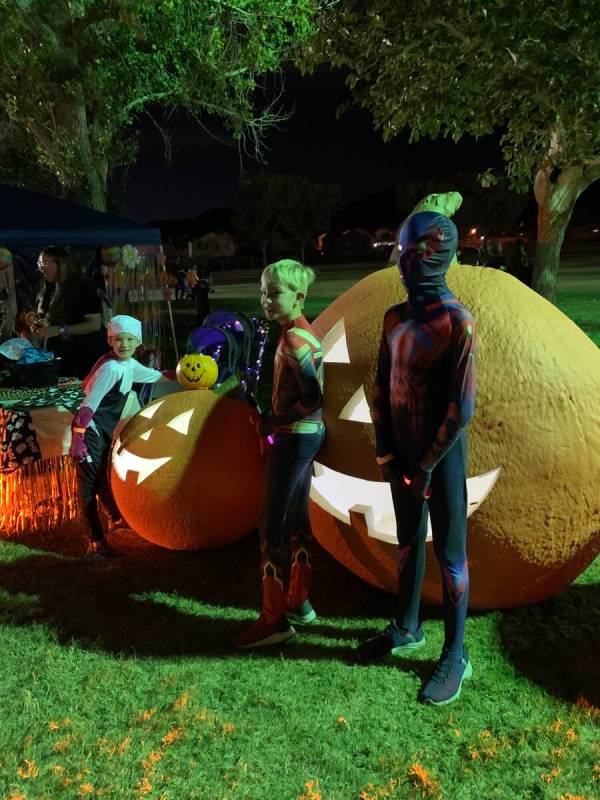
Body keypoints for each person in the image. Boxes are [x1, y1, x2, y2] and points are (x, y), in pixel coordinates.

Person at [358, 211, 477, 706]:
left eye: (415, 253)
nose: (406, 263)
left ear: (438, 255)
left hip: (442, 459)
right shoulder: (394, 318)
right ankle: (406, 627)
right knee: (408, 542)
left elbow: (461, 408)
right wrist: (387, 449)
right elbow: (380, 386)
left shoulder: (457, 322)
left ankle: (457, 653)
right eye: (403, 253)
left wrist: (427, 464)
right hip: (403, 452)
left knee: (451, 556)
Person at [233, 259, 325, 649]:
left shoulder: (292, 341)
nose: (266, 300)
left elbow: (313, 399)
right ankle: (299, 601)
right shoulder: (302, 333)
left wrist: (273, 423)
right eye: (263, 293)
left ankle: (274, 619)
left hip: (294, 438)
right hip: (306, 437)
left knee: (269, 523)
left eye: (274, 293)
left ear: (299, 297)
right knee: (298, 516)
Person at [69, 314, 174, 559]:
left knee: (101, 481)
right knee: (87, 488)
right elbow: (88, 405)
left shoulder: (128, 365)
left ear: (137, 343)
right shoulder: (111, 369)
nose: (123, 345)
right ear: (110, 341)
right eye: (118, 340)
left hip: (103, 431)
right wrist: (78, 439)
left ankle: (115, 519)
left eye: (129, 339)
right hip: (90, 433)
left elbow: (156, 376)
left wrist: (186, 375)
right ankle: (95, 543)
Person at [35, 246, 107, 378]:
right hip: (62, 362)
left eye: (45, 263)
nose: (41, 268)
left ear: (61, 263)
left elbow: (94, 324)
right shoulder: (50, 288)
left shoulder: (81, 286)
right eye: (39, 264)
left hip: (83, 361)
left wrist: (60, 330)